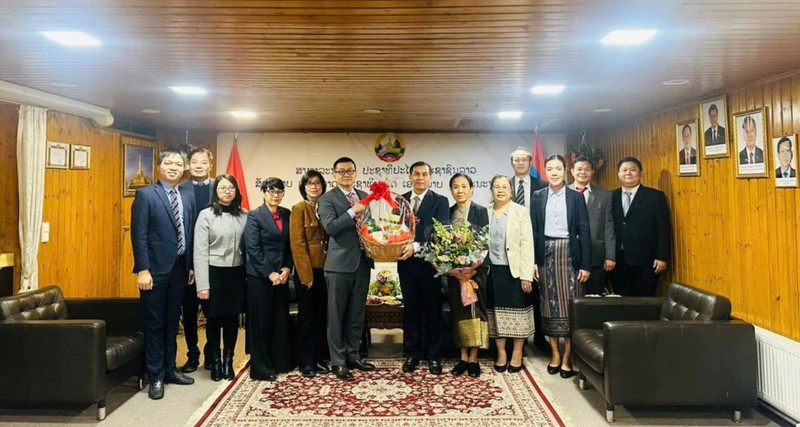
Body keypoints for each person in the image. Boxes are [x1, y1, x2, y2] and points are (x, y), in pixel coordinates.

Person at [131, 147, 196, 400]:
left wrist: (190, 266)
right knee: (155, 324)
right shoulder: (146, 195)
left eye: (178, 164)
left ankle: (170, 370)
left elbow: (188, 232)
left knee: (172, 323)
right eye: (169, 163)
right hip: (154, 270)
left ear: (184, 168)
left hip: (180, 268)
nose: (173, 168)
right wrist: (142, 269)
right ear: (159, 166)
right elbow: (139, 235)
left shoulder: (187, 196)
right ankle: (155, 376)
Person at [532, 155, 591, 379]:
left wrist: (585, 264)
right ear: (545, 171)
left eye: (558, 168)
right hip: (545, 254)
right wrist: (533, 261)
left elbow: (584, 232)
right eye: (550, 169)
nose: (554, 173)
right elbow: (534, 231)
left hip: (570, 255)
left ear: (566, 170)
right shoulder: (538, 196)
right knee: (548, 304)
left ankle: (567, 356)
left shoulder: (576, 197)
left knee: (569, 305)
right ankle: (555, 354)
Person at [317, 157, 376, 381]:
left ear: (356, 173)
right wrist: (353, 211)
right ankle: (338, 361)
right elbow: (330, 227)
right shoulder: (327, 198)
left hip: (362, 262)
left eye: (350, 171)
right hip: (338, 266)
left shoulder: (364, 195)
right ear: (334, 175)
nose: (346, 175)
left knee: (356, 314)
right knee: (336, 315)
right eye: (341, 171)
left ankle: (353, 355)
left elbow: (370, 226)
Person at [398, 161, 450, 375]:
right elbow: (394, 228)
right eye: (416, 174)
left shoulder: (440, 201)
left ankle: (433, 355)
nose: (420, 178)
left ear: (430, 178)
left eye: (424, 174)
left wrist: (416, 247)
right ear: (410, 177)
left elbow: (440, 233)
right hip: (406, 264)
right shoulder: (400, 200)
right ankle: (412, 353)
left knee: (432, 310)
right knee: (411, 310)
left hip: (430, 265)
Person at [193, 174, 247, 381]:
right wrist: (202, 285)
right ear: (216, 192)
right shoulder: (206, 215)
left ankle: (228, 361)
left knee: (232, 319)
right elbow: (200, 252)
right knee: (214, 319)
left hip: (236, 274)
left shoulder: (244, 215)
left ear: (236, 191)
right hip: (213, 273)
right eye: (222, 188)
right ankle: (215, 361)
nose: (227, 191)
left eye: (231, 188)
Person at [245, 177, 294, 381]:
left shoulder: (287, 214)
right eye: (271, 191)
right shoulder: (254, 215)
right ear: (263, 193)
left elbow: (291, 245)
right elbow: (253, 248)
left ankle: (280, 362)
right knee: (261, 322)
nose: (276, 195)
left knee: (279, 320)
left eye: (279, 191)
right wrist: (269, 273)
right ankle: (261, 368)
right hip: (260, 277)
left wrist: (287, 268)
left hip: (281, 276)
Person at [485, 174, 535, 373]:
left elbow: (527, 244)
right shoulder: (485, 211)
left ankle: (517, 352)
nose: (500, 190)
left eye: (504, 187)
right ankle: (501, 353)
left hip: (514, 271)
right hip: (491, 271)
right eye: (496, 187)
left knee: (518, 313)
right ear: (491, 190)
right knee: (495, 314)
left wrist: (526, 275)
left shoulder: (520, 212)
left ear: (511, 190)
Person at [446, 173, 489, 378]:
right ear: (451, 190)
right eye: (456, 187)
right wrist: (452, 267)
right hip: (455, 273)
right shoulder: (448, 212)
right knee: (458, 312)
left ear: (471, 189)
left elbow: (484, 241)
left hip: (475, 272)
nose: (460, 190)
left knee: (475, 312)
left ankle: (474, 358)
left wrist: (472, 269)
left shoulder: (480, 211)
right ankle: (463, 357)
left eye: (464, 186)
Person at [289, 170, 331, 378]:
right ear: (303, 188)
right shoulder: (299, 209)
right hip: (308, 273)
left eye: (317, 183)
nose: (314, 187)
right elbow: (297, 245)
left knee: (322, 315)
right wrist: (306, 276)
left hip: (327, 270)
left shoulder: (327, 207)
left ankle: (320, 357)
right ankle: (306, 361)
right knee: (307, 317)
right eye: (309, 183)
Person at [611, 157, 672, 297]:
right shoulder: (611, 196)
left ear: (640, 173)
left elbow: (663, 228)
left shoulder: (655, 197)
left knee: (645, 300)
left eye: (633, 170)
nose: (628, 173)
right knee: (620, 300)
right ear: (618, 174)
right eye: (624, 170)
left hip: (646, 260)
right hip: (618, 260)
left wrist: (662, 256)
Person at [508, 147, 549, 352]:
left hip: (537, 242)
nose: (521, 163)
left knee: (537, 292)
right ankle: (520, 339)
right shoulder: (505, 184)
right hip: (513, 246)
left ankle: (540, 336)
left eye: (524, 159)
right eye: (517, 160)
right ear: (512, 163)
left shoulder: (542, 185)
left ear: (530, 162)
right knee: (518, 292)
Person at [178, 147, 214, 373]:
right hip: (189, 263)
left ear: (211, 165)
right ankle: (192, 355)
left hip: (215, 262)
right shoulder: (180, 189)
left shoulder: (220, 187)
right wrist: (190, 264)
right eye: (194, 162)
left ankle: (211, 354)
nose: (199, 165)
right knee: (189, 311)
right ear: (188, 165)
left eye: (203, 162)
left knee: (213, 312)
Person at [568, 157, 616, 295]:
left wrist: (610, 256)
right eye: (579, 169)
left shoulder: (605, 195)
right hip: (569, 253)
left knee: (594, 297)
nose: (583, 172)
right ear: (572, 171)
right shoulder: (563, 192)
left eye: (587, 169)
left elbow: (609, 227)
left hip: (596, 255)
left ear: (592, 172)